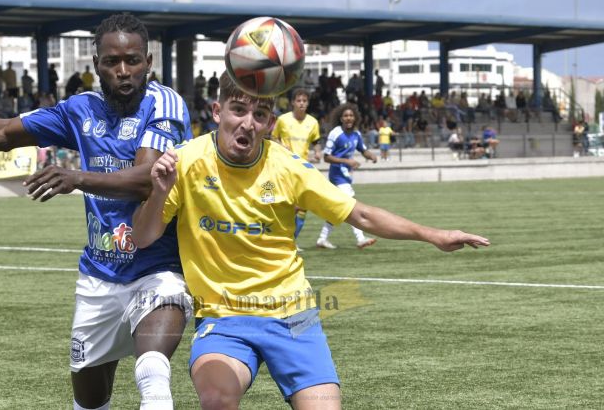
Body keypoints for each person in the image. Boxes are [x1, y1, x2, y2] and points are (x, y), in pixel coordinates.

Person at [0, 12, 193, 410]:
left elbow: (146, 178)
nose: (124, 71)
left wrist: (77, 178)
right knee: (90, 402)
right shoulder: (81, 109)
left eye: (133, 61)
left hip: (157, 268)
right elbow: (5, 133)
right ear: (96, 65)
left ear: (149, 63)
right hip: (100, 275)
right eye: (112, 62)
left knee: (152, 373)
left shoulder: (163, 102)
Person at [131, 73, 490, 409]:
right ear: (217, 112)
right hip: (225, 319)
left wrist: (435, 235)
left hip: (294, 317)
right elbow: (143, 238)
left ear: (271, 123)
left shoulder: (288, 167)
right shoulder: (186, 161)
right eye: (238, 110)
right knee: (217, 399)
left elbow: (360, 215)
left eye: (260, 114)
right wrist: (159, 193)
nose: (247, 123)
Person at [316, 103, 377, 250]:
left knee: (337, 210)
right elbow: (326, 157)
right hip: (337, 176)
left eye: (351, 115)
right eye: (345, 116)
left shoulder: (356, 134)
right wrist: (346, 161)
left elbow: (363, 150)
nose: (348, 118)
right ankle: (360, 238)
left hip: (346, 177)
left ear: (355, 118)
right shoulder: (336, 133)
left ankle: (322, 238)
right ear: (341, 118)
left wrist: (372, 156)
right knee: (350, 205)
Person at [270, 88, 322, 251]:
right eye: (298, 100)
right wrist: (281, 145)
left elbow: (316, 141)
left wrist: (318, 152)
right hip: (284, 168)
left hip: (303, 169)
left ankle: (291, 241)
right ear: (293, 102)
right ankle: (279, 240)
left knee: (303, 208)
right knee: (286, 205)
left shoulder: (313, 122)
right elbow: (272, 137)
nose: (301, 104)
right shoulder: (283, 120)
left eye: (304, 101)